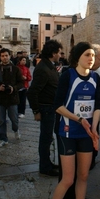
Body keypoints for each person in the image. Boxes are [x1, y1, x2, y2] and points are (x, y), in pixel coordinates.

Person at [52, 42, 100, 199]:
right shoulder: (68, 75)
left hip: (86, 134)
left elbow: (97, 107)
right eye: (87, 55)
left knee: (84, 175)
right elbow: (58, 106)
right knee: (68, 179)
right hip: (67, 132)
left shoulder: (95, 77)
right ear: (78, 57)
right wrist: (79, 120)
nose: (91, 58)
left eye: (93, 55)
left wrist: (93, 128)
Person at [27, 39, 63, 176]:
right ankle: (45, 167)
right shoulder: (43, 69)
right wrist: (36, 111)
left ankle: (47, 163)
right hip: (46, 108)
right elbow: (33, 91)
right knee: (46, 138)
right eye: (59, 53)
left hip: (51, 107)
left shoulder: (49, 66)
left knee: (48, 138)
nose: (60, 55)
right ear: (53, 53)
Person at [0, 48, 24, 148]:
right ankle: (3, 139)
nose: (4, 58)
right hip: (0, 98)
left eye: (6, 55)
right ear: (0, 57)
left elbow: (21, 83)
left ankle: (16, 129)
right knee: (1, 120)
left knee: (14, 119)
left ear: (9, 56)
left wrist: (14, 88)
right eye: (2, 56)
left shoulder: (16, 69)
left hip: (12, 98)